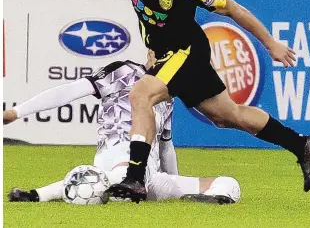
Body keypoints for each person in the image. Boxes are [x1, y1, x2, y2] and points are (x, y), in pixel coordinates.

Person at [70, 0, 310, 202]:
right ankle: (302, 144)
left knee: (140, 95)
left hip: (186, 51)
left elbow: (234, 9)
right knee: (227, 116)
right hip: (168, 53)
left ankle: (135, 178)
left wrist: (270, 43)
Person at [4, 53, 240, 204]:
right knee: (120, 176)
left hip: (149, 177)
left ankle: (207, 199)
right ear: (150, 53)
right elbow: (68, 91)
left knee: (229, 184)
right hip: (116, 154)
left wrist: (173, 182)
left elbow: (166, 147)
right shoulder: (124, 71)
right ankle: (37, 195)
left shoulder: (168, 97)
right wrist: (17, 112)